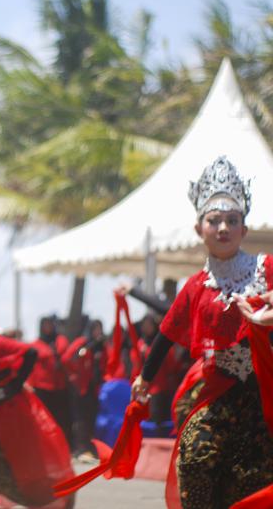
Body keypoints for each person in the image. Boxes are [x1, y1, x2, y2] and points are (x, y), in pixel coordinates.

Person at [65, 156, 273, 508]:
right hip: (219, 388)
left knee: (256, 474)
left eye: (232, 220)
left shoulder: (267, 267)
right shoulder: (195, 286)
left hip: (266, 385)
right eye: (214, 220)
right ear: (199, 229)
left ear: (244, 229)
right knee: (195, 454)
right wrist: (144, 380)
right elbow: (166, 333)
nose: (223, 228)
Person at [0, 332, 75, 508]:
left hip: (13, 411)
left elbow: (30, 353)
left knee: (19, 462)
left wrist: (13, 386)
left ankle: (49, 498)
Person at [63, 318, 107, 461]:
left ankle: (92, 448)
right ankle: (81, 448)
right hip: (81, 387)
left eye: (100, 329)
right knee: (80, 419)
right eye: (95, 328)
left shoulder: (102, 345)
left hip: (95, 388)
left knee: (92, 418)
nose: (98, 332)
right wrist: (75, 375)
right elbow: (67, 359)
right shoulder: (82, 342)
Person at [29, 316, 72, 443]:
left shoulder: (59, 339)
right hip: (42, 387)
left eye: (50, 325)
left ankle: (64, 443)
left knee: (62, 417)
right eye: (45, 325)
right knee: (45, 418)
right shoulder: (35, 344)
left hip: (60, 386)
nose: (48, 328)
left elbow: (64, 350)